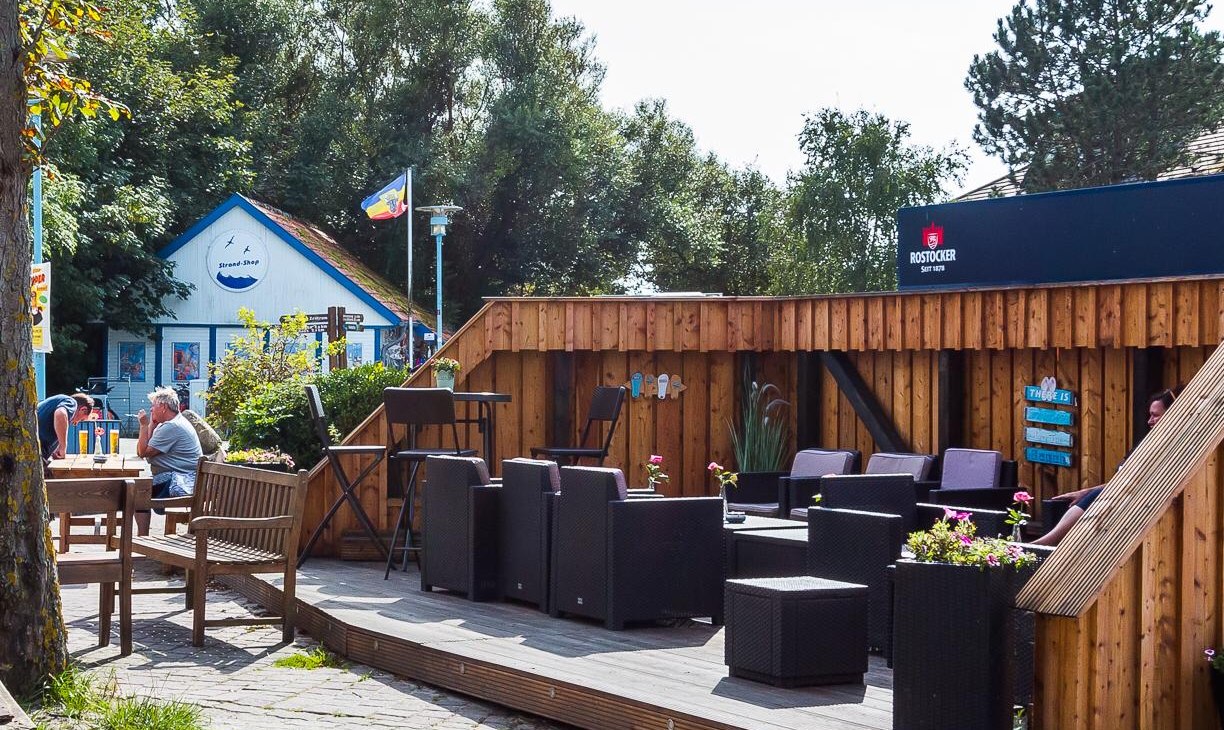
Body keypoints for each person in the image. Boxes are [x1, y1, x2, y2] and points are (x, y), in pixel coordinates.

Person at [1033, 388, 1178, 546]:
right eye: (1150, 415)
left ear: (1171, 414)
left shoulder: (1170, 448)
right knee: (1087, 496)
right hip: (1119, 496)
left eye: (1155, 415)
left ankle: (1044, 543)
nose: (1150, 421)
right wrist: (1085, 491)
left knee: (1097, 496)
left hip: (1137, 503)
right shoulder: (1146, 444)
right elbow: (1121, 479)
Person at [135, 386, 202, 534]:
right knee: (139, 488)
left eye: (153, 406)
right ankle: (142, 537)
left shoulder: (172, 426)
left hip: (181, 479)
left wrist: (144, 426)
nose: (151, 410)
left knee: (137, 491)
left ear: (164, 407)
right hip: (181, 475)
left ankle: (142, 538)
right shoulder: (172, 422)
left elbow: (143, 451)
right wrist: (152, 423)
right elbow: (148, 445)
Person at [36, 392, 94, 461]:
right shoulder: (71, 402)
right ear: (83, 409)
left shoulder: (59, 401)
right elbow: (60, 413)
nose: (75, 423)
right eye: (81, 420)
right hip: (34, 450)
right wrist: (63, 447)